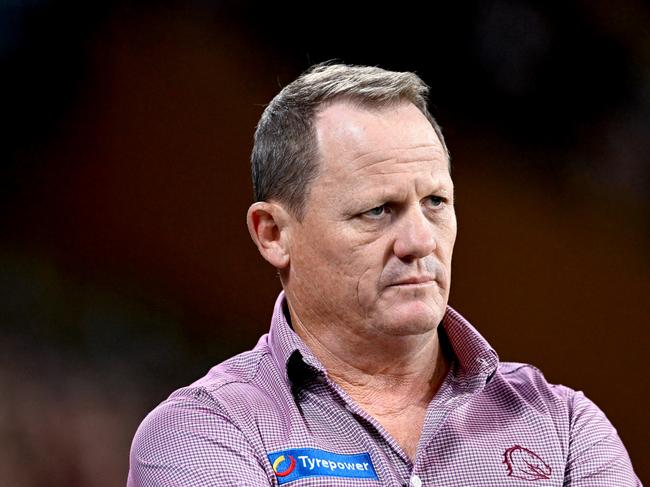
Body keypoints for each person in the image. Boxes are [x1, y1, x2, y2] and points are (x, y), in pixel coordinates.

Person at [127, 63, 640, 486]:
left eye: (435, 202)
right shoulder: (203, 434)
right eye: (377, 210)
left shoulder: (565, 427)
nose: (419, 242)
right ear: (273, 234)